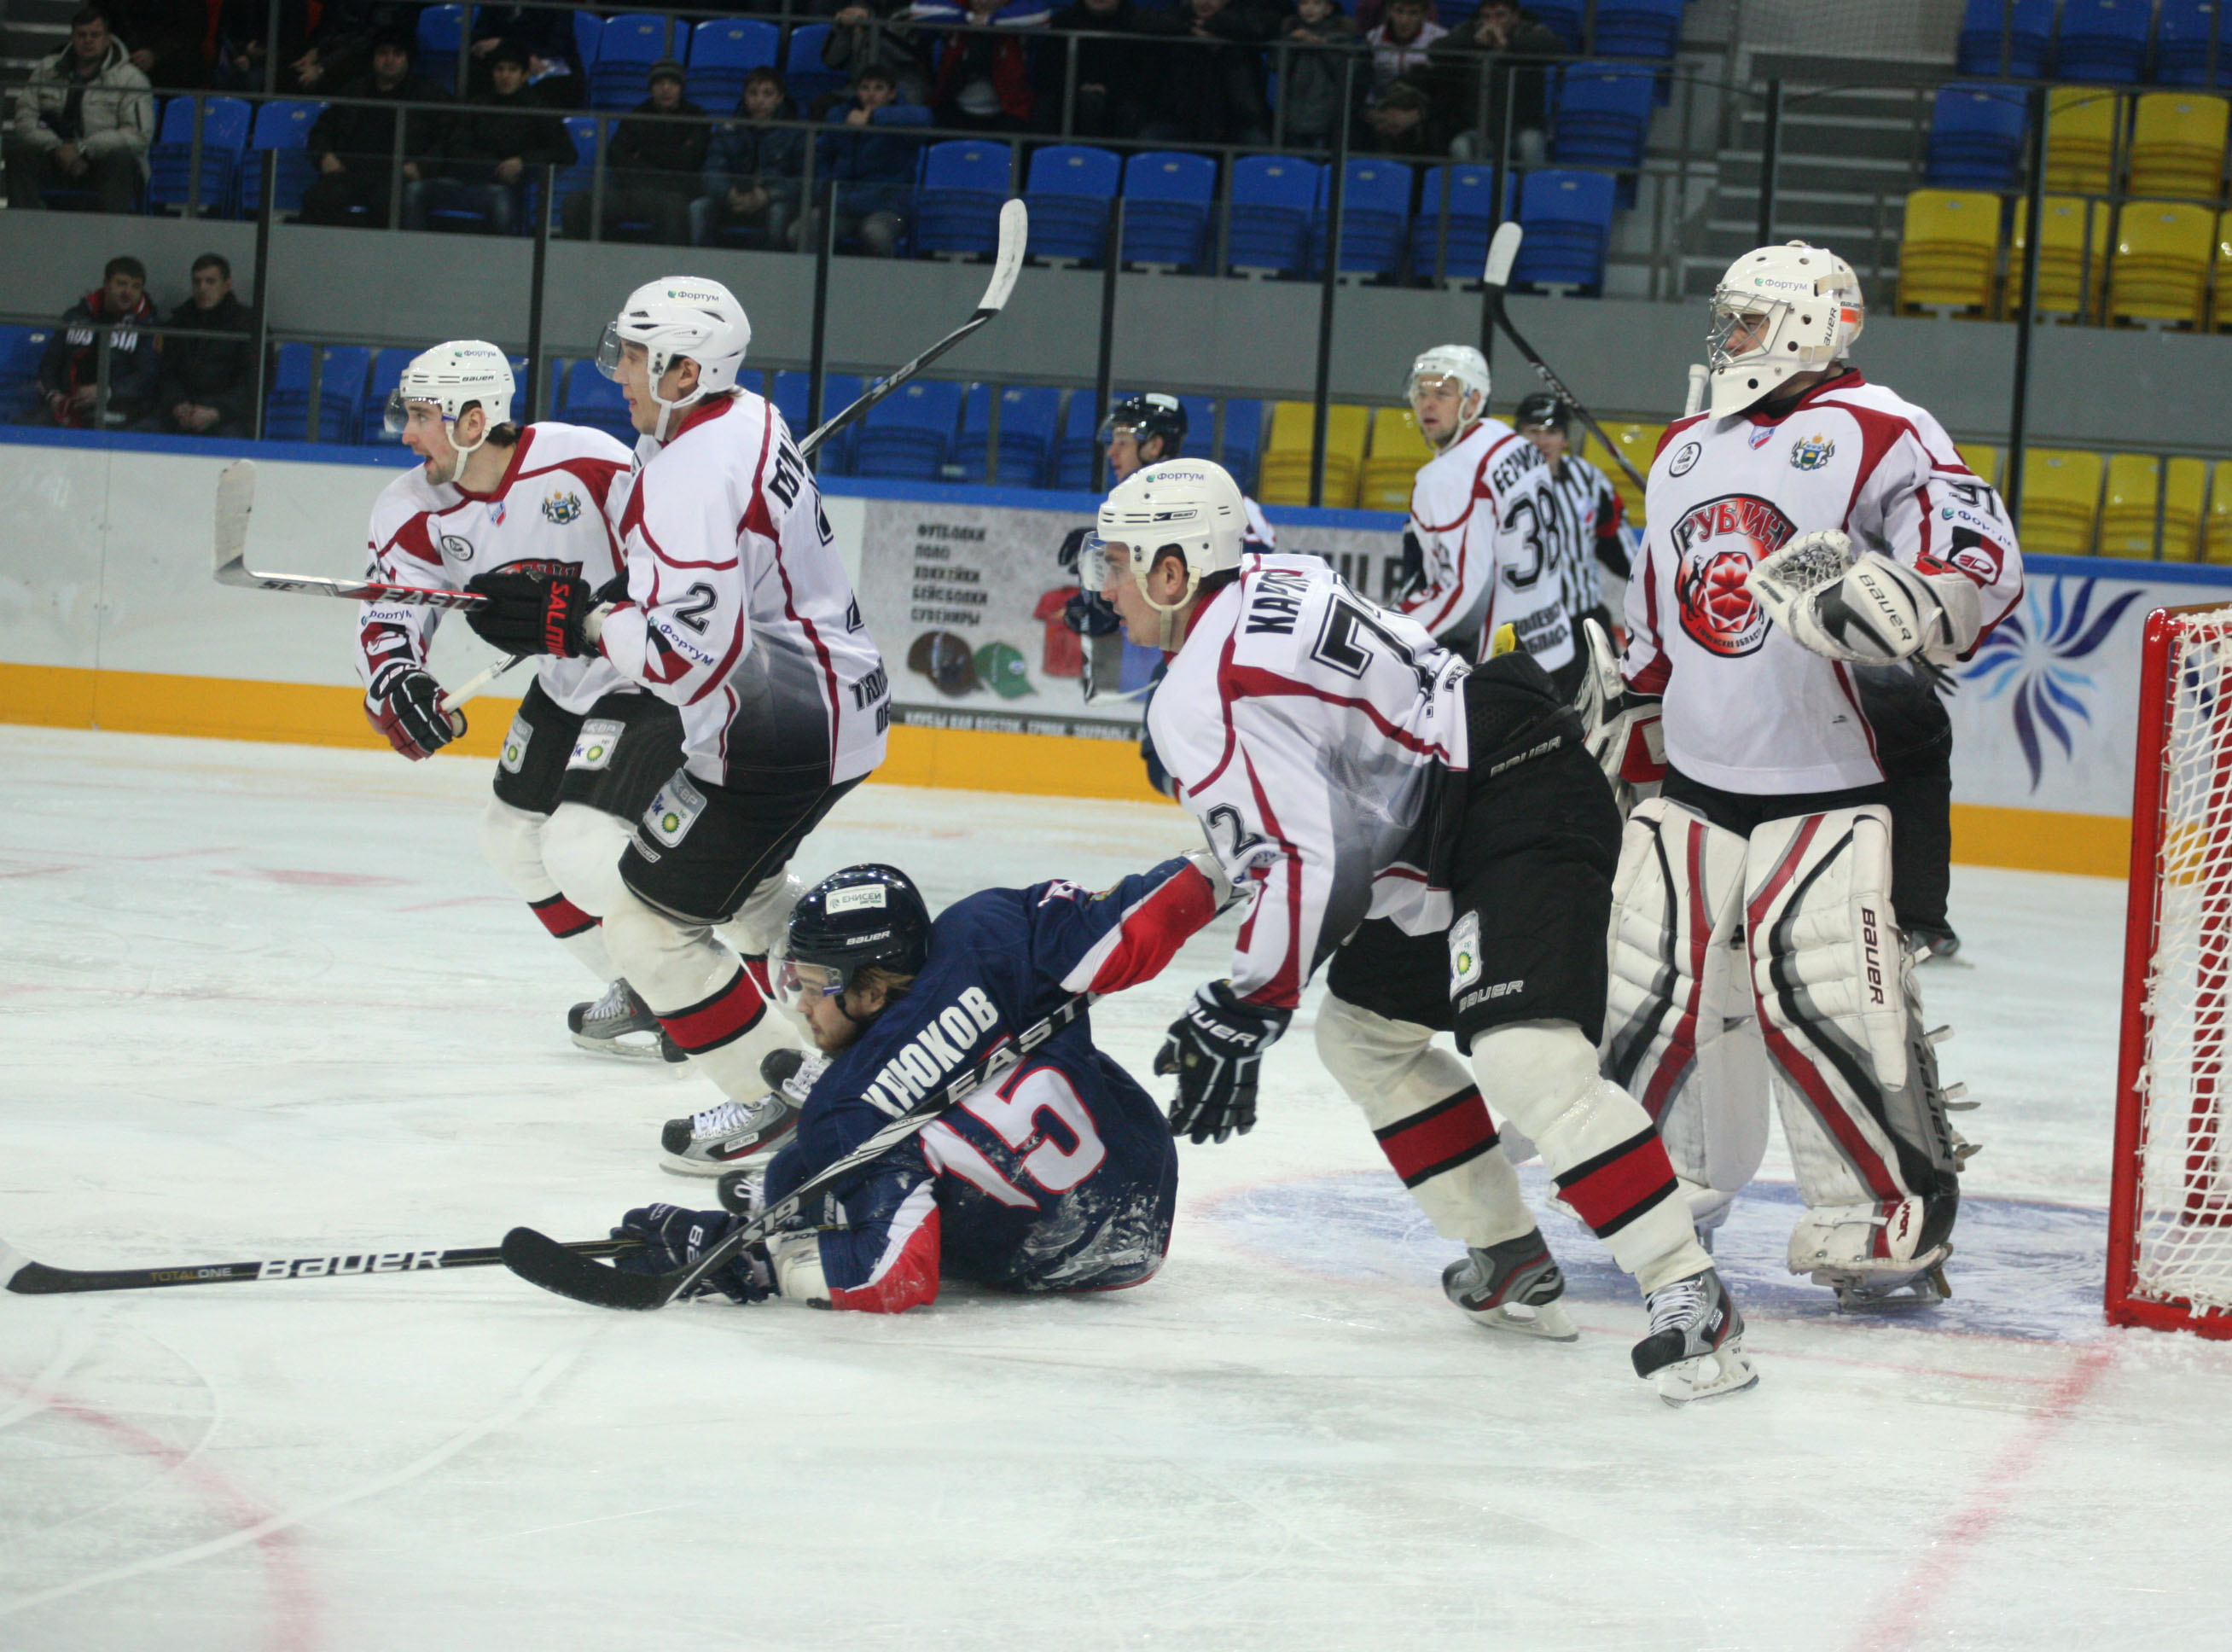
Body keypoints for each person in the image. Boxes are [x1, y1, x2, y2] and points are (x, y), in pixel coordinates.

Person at [1083, 457, 1754, 1403]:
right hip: (1467, 795)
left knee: (1526, 1056)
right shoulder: (1277, 570)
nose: (1101, 586)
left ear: (1173, 572)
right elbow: (1321, 837)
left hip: (1508, 796)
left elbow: (1309, 863)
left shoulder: (1198, 692)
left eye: (1117, 562)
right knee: (1362, 1032)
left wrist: (1250, 1002)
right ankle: (1508, 1254)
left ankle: (1688, 1289)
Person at [1596, 240, 2020, 1309]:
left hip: (1831, 776)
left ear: (1802, 324)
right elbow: (1662, 608)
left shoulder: (1884, 425)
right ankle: (1664, 1196)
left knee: (1826, 1001)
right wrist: (1630, 697)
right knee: (1660, 998)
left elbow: (1978, 563)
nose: (1726, 340)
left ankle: (1884, 1223)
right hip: (1697, 781)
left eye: (1743, 320)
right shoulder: (1686, 445)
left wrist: (1913, 603)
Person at [460, 276, 892, 1171]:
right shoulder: (744, 421)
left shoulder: (692, 471)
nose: (615, 370)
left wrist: (580, 621)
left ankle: (788, 1105)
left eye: (631, 354)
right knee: (731, 892)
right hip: (831, 706)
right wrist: (631, 594)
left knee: (651, 929)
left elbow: (685, 659)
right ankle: (886, 1031)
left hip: (780, 731)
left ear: (685, 369)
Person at [610, 854, 1234, 1307]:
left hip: (1049, 1259)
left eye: (814, 983)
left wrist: (770, 1264)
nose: (798, 1002)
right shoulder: (993, 932)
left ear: (873, 987)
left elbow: (892, 1276)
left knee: (831, 1160)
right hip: (1142, 1174)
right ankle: (801, 1198)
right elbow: (1145, 919)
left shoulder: (843, 1106)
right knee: (807, 1168)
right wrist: (1242, 864)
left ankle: (807, 1205)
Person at [351, 342, 701, 1064]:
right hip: (563, 684)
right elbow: (392, 610)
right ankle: (638, 986)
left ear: (474, 420)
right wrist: (397, 682)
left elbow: (677, 554)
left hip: (642, 678)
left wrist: (610, 606)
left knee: (581, 849)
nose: (408, 434)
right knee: (509, 839)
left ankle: (697, 989)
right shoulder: (410, 506)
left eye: (422, 417)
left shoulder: (586, 462)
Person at [1055, 393, 1273, 794]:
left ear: (1154, 446)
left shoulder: (1209, 506)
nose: (1112, 452)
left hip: (1234, 660)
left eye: (1123, 441)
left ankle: (1243, 827)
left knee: (1165, 756)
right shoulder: (1160, 509)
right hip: (1222, 654)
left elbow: (1231, 586)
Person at [1394, 344, 1578, 691]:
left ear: (1473, 401)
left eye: (1442, 394)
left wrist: (1391, 629)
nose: (1427, 403)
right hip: (1554, 643)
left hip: (1504, 668)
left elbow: (1462, 589)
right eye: (1421, 392)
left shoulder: (1445, 477)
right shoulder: (1509, 440)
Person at [410, 38, 573, 235]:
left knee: (500, 201)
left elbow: (566, 152)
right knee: (414, 192)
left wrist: (523, 161)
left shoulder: (539, 111)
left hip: (502, 190)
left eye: (512, 70)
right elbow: (455, 146)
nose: (505, 75)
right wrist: (497, 165)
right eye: (500, 69)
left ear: (524, 75)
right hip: (461, 182)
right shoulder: (477, 105)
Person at [5, 8, 154, 214]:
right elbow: (24, 120)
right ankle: (26, 232)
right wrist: (56, 147)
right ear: (72, 37)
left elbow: (138, 136)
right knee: (19, 154)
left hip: (102, 164)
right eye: (82, 35)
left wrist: (83, 149)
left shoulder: (131, 78)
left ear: (108, 38)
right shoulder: (47, 69)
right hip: (56, 158)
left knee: (121, 159)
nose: (88, 41)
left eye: (95, 35)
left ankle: (109, 238)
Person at [298, 31, 452, 228]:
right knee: (316, 198)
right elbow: (323, 128)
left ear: (408, 58)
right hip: (348, 172)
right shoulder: (354, 91)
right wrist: (325, 156)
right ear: (373, 58)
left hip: (397, 175)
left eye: (397, 54)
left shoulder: (429, 94)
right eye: (383, 53)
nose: (389, 60)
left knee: (387, 203)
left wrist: (421, 167)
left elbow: (448, 138)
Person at [1511, 390, 1630, 647]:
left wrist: (1654, 585)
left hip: (1583, 618)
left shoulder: (1587, 478)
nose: (1543, 441)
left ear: (1565, 438)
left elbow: (1616, 543)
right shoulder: (1501, 484)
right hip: (1522, 621)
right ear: (1517, 436)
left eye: (1552, 432)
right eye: (1533, 431)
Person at [563, 60, 706, 245]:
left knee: (673, 209)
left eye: (672, 83)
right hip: (632, 191)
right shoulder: (637, 114)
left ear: (681, 87)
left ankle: (671, 268)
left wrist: (645, 152)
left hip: (672, 192)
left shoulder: (695, 117)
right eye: (659, 83)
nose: (666, 89)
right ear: (651, 87)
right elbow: (616, 154)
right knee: (576, 203)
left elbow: (688, 160)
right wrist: (664, 157)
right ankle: (575, 262)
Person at [813, 65, 932, 257]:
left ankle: (885, 285)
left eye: (879, 88)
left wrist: (873, 117)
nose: (871, 94)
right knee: (806, 229)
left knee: (875, 233)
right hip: (844, 206)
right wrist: (825, 191)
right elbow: (823, 159)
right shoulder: (841, 115)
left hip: (888, 209)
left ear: (892, 93)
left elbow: (924, 117)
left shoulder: (905, 121)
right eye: (865, 88)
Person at [1422, 0, 1562, 161]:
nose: (1492, 22)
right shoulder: (1469, 30)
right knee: (1460, 145)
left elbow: (1557, 48)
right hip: (1479, 129)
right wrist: (1475, 42)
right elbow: (1435, 50)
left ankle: (1532, 187)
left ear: (1515, 17)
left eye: (1500, 16)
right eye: (1486, 16)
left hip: (1523, 128)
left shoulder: (1531, 31)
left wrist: (1509, 46)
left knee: (1530, 145)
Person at [36, 254, 159, 428]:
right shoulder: (76, 316)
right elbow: (49, 364)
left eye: (136, 287)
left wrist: (106, 392)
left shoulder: (147, 326)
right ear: (106, 284)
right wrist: (54, 396)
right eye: (122, 283)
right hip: (67, 406)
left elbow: (147, 377)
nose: (128, 292)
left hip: (119, 409)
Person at [1135, 0, 1275, 148]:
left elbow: (1262, 27)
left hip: (1237, 118)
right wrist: (1189, 28)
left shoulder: (1244, 19)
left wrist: (1216, 29)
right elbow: (1142, 20)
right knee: (1149, 139)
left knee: (1258, 145)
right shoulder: (1182, 16)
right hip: (1182, 116)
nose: (1205, 2)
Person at [695, 67, 806, 248]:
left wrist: (767, 195)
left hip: (773, 201)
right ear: (745, 96)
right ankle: (699, 269)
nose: (759, 100)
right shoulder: (728, 130)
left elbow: (803, 181)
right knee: (699, 208)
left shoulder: (796, 133)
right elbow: (711, 171)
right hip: (733, 199)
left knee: (779, 213)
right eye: (753, 93)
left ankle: (775, 268)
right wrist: (728, 193)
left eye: (767, 94)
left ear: (779, 98)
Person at [152, 252, 255, 438]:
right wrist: (177, 404)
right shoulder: (178, 322)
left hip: (228, 418)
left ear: (227, 285)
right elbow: (166, 373)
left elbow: (252, 384)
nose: (203, 288)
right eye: (197, 282)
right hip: (180, 415)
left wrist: (216, 412)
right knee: (145, 431)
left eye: (210, 281)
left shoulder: (249, 326)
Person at [913, 0, 1049, 132]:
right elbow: (919, 10)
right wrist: (968, 18)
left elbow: (1039, 16)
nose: (982, 1)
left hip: (1010, 111)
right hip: (953, 106)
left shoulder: (1019, 6)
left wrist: (990, 21)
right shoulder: (960, 6)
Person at [1039, 0, 1149, 139]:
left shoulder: (1139, 23)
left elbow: (1144, 78)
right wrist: (1078, 88)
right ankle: (1049, 158)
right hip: (1070, 95)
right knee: (1047, 105)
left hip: (1119, 97)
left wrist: (1109, 90)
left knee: (1131, 110)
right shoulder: (1063, 22)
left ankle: (1124, 160)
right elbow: (1047, 71)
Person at [820, 0, 933, 109]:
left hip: (902, 91)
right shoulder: (857, 7)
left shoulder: (917, 11)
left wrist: (872, 26)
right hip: (859, 89)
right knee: (823, 105)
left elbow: (912, 56)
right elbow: (831, 61)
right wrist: (843, 29)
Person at [1364, 0, 1444, 94]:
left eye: (1413, 13)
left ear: (1423, 15)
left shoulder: (1439, 39)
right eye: (1399, 11)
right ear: (1389, 11)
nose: (1404, 20)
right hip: (1382, 102)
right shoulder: (1373, 38)